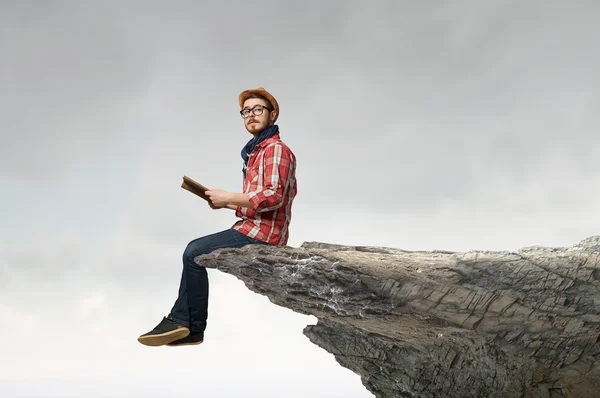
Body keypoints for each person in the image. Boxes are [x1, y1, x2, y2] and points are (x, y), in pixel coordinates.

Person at [137, 87, 297, 347]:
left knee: (193, 252)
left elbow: (273, 196)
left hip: (263, 235)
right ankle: (190, 327)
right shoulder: (255, 151)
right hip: (251, 226)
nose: (251, 115)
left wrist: (229, 197)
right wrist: (222, 202)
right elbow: (257, 199)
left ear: (273, 114)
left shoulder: (274, 149)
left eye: (258, 110)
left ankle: (186, 324)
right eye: (246, 111)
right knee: (194, 253)